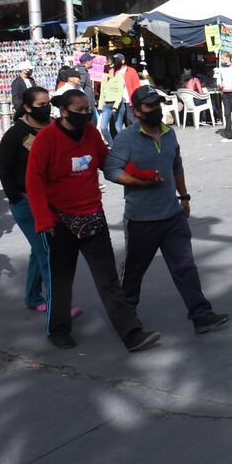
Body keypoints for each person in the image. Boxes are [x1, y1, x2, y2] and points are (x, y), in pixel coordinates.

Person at [26, 87, 159, 352]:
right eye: (79, 111)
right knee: (62, 280)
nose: (85, 115)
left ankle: (131, 333)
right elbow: (34, 181)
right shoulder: (46, 139)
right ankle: (58, 329)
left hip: (92, 218)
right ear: (63, 112)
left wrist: (142, 175)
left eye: (88, 109)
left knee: (108, 279)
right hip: (59, 222)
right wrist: (43, 220)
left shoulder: (90, 133)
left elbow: (107, 162)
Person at [105, 87, 229, 336]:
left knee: (185, 266)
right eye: (150, 107)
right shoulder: (126, 138)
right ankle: (127, 320)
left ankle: (201, 315)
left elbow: (177, 166)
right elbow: (111, 170)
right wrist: (139, 182)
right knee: (134, 272)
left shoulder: (169, 133)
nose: (157, 110)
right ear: (137, 112)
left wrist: (184, 197)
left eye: (158, 105)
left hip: (172, 215)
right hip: (142, 219)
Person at [0, 86, 72, 316]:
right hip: (26, 202)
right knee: (48, 252)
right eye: (41, 105)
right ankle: (58, 306)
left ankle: (32, 296)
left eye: (47, 103)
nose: (46, 107)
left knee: (38, 250)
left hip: (52, 200)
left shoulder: (53, 127)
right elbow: (5, 169)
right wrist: (15, 198)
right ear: (28, 107)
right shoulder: (16, 134)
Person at [97, 61, 125, 143]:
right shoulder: (104, 77)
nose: (104, 64)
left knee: (118, 127)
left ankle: (124, 145)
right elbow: (102, 92)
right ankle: (112, 145)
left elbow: (120, 92)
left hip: (117, 104)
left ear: (112, 65)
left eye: (107, 63)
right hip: (106, 105)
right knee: (103, 127)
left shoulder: (119, 76)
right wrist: (100, 107)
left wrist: (116, 106)